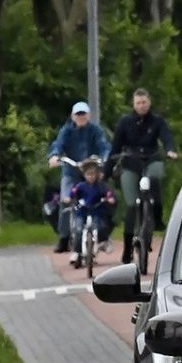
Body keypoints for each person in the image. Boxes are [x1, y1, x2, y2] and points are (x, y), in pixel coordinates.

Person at [110, 88, 180, 264]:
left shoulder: (157, 121)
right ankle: (127, 249)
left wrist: (171, 150)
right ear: (134, 104)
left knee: (156, 176)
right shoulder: (125, 122)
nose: (141, 106)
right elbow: (115, 148)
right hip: (130, 163)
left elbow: (167, 137)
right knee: (132, 204)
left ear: (149, 103)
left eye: (144, 102)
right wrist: (106, 168)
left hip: (151, 159)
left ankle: (156, 217)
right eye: (138, 103)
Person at [47, 101, 111, 253]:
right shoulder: (67, 131)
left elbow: (104, 147)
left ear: (88, 115)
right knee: (66, 201)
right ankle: (63, 238)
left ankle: (103, 236)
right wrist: (54, 156)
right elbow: (58, 145)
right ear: (72, 116)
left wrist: (105, 158)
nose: (81, 117)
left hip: (91, 173)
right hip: (72, 171)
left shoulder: (95, 130)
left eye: (83, 114)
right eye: (78, 114)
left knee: (103, 200)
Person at [66, 158, 116, 266]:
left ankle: (102, 243)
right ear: (84, 175)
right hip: (82, 212)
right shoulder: (81, 186)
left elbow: (108, 193)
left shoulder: (101, 186)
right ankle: (77, 251)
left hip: (97, 211)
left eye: (93, 174)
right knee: (78, 230)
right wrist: (69, 198)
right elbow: (73, 193)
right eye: (88, 174)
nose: (91, 177)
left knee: (101, 227)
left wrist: (110, 198)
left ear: (97, 174)